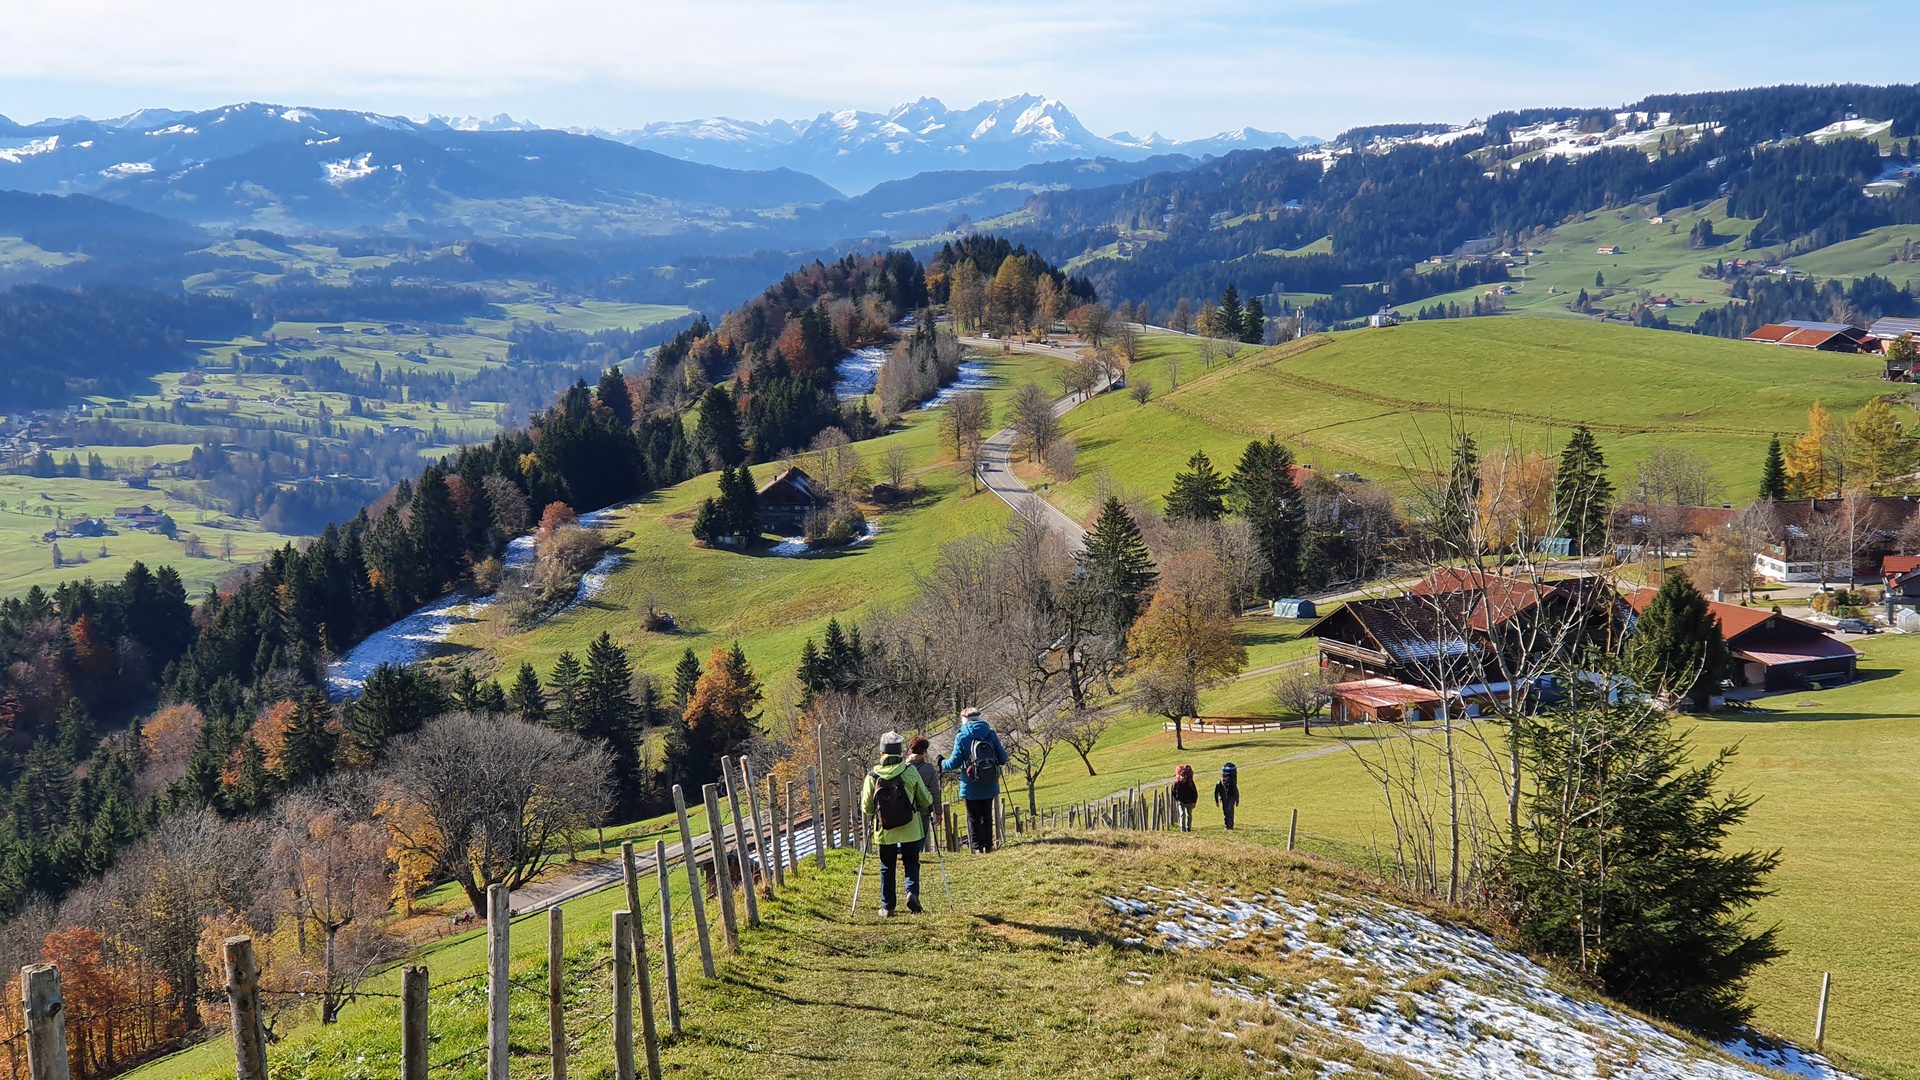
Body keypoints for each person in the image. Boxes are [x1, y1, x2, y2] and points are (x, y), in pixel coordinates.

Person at [861, 731, 935, 917]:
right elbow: (925, 800)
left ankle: (887, 908)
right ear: (901, 753)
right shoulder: (910, 771)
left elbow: (867, 808)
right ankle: (911, 893)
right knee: (911, 862)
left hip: (885, 831)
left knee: (887, 866)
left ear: (881, 753)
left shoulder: (872, 776)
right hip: (910, 828)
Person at [941, 706, 1008, 853]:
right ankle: (989, 846)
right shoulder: (990, 734)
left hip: (970, 783)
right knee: (987, 815)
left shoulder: (962, 736)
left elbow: (954, 763)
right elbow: (1003, 759)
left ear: (964, 719)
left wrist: (942, 762)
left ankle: (977, 847)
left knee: (973, 817)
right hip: (990, 782)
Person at [907, 736, 940, 853]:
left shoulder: (904, 767)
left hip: (906, 809)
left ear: (910, 750)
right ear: (925, 752)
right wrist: (938, 812)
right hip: (923, 809)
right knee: (921, 835)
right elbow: (935, 791)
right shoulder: (929, 769)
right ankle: (917, 854)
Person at [1171, 764, 1199, 832]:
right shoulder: (1177, 783)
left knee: (1189, 815)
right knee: (1182, 814)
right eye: (1182, 776)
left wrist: (1194, 802)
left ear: (1186, 776)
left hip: (1190, 801)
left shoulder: (1190, 783)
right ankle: (1182, 830)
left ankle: (1188, 828)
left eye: (1184, 776)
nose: (1183, 778)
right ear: (1180, 776)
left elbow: (1195, 792)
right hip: (1181, 801)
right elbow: (1173, 791)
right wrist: (1177, 799)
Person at [1214, 762, 1240, 830]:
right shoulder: (1219, 783)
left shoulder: (1232, 782)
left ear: (1227, 777)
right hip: (1224, 798)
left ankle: (1230, 826)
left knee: (1230, 810)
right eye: (1223, 779)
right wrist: (1216, 801)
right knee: (1225, 811)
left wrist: (1237, 800)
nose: (1224, 780)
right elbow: (1216, 792)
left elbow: (1235, 791)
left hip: (1231, 797)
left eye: (1225, 779)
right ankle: (1226, 826)